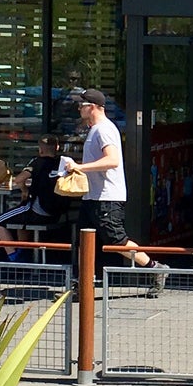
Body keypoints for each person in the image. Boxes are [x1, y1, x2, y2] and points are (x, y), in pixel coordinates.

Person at [64, 89, 156, 270]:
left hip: (107, 198)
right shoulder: (94, 130)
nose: (78, 109)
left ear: (92, 107)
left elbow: (112, 160)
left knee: (117, 240)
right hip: (92, 197)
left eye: (81, 105)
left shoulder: (104, 130)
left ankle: (155, 267)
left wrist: (80, 167)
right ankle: (82, 283)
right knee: (84, 241)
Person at [0, 134, 66, 243]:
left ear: (40, 149)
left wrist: (24, 191)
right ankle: (24, 251)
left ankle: (13, 256)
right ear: (57, 147)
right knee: (20, 222)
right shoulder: (63, 163)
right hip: (57, 213)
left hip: (38, 211)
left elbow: (19, 179)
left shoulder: (37, 162)